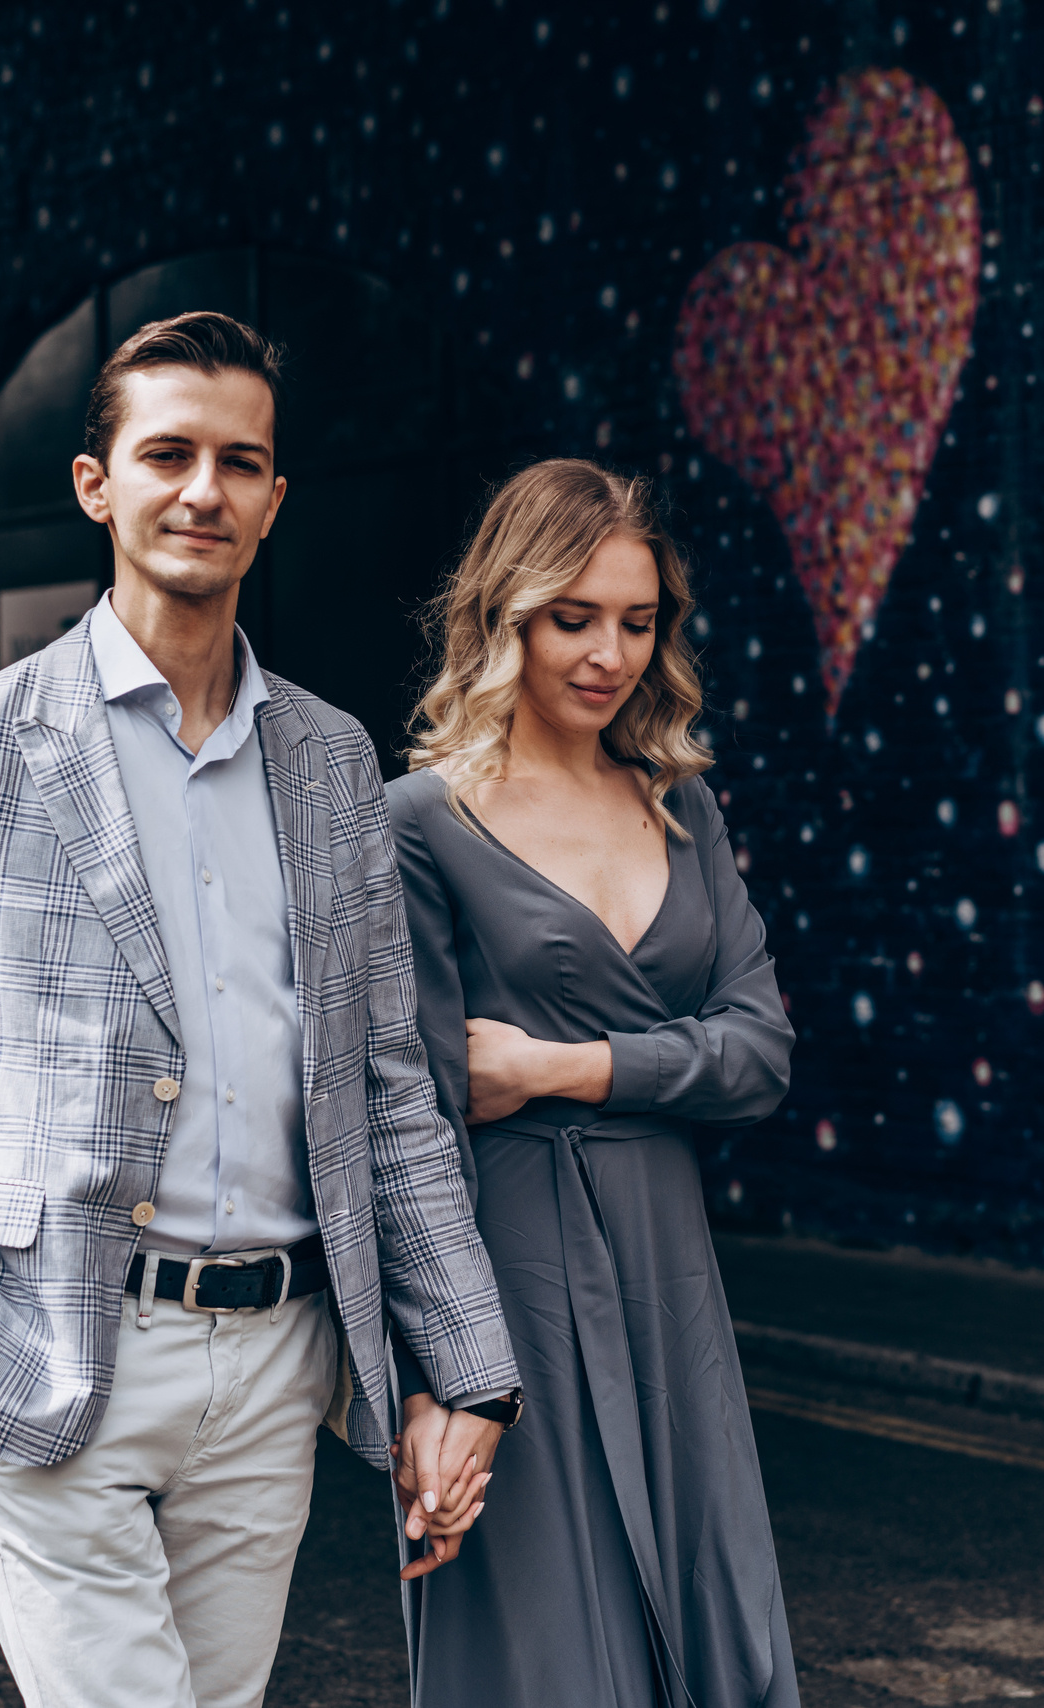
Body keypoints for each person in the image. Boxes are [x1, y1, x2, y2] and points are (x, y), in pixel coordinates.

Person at [0, 311, 522, 1708]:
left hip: (277, 1363)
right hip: (52, 1345)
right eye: (168, 454)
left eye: (239, 462)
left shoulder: (330, 760)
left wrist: (468, 1369)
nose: (204, 491)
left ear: (275, 500)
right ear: (96, 484)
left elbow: (384, 1094)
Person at [386, 458, 801, 1708]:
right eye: (574, 617)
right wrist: (430, 1379)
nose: (609, 653)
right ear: (505, 614)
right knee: (551, 1653)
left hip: (669, 1272)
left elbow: (761, 1054)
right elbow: (404, 1122)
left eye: (638, 620)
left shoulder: (681, 807)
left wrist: (559, 1065)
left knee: (711, 1608)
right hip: (509, 1271)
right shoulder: (421, 820)